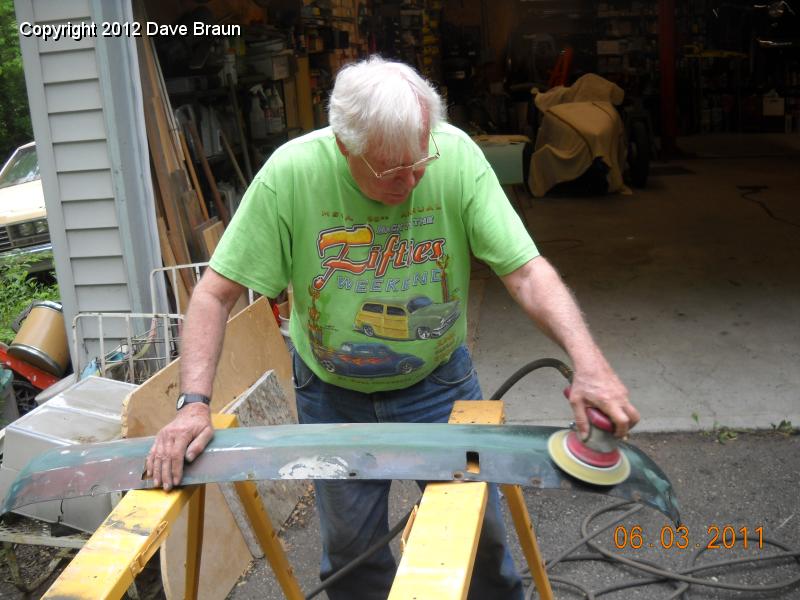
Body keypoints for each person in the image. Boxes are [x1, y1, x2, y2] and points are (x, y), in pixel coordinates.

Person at [147, 55, 639, 599]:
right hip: (332, 396)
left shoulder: (454, 157)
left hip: (440, 384)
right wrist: (193, 401)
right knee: (353, 559)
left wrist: (590, 363)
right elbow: (215, 293)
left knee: (483, 542)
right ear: (343, 145)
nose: (409, 180)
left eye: (417, 161)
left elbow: (525, 273)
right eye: (388, 169)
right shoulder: (291, 175)